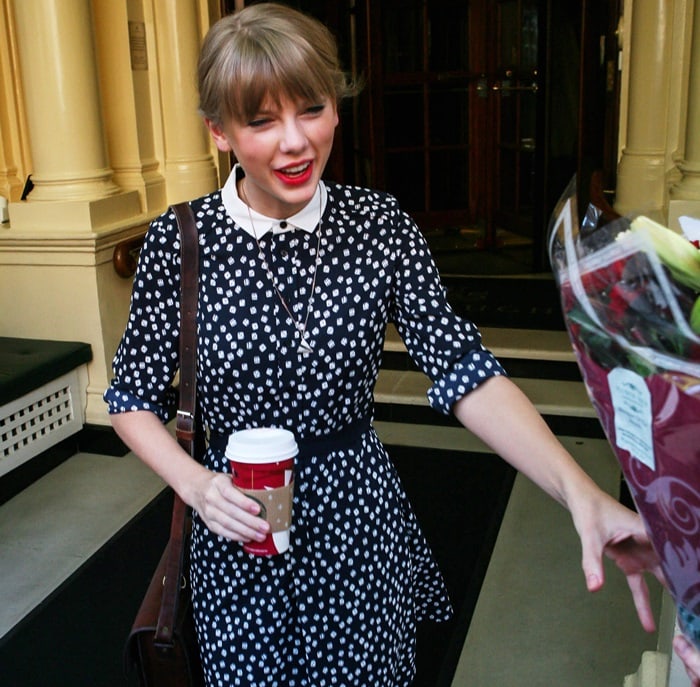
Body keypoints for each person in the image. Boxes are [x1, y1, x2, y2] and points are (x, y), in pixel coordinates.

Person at [105, 4, 665, 685]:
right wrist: (195, 484)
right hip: (236, 526)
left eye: (311, 109)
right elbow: (130, 398)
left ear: (337, 109)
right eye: (260, 121)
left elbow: (465, 371)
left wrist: (578, 490)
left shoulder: (379, 226)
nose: (294, 142)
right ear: (218, 132)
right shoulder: (181, 242)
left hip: (357, 522)